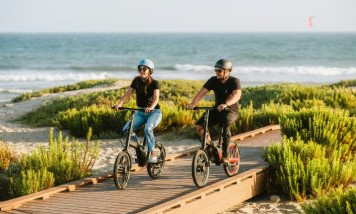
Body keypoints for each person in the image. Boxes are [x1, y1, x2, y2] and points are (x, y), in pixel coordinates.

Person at [187, 59, 242, 163]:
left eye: (219, 70)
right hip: (217, 109)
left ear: (227, 71)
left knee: (225, 121)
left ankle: (225, 155)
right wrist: (193, 104)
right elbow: (201, 92)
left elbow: (237, 95)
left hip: (231, 111)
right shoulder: (213, 80)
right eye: (216, 70)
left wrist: (226, 104)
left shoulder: (234, 81)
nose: (217, 72)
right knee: (199, 125)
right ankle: (209, 147)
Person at [114, 59, 162, 163]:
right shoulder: (136, 81)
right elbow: (128, 94)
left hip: (154, 112)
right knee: (127, 130)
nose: (142, 71)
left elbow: (156, 98)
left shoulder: (154, 83)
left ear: (150, 71)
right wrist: (120, 104)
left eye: (144, 69)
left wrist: (151, 107)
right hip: (140, 112)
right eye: (140, 69)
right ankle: (139, 145)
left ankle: (153, 154)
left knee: (148, 129)